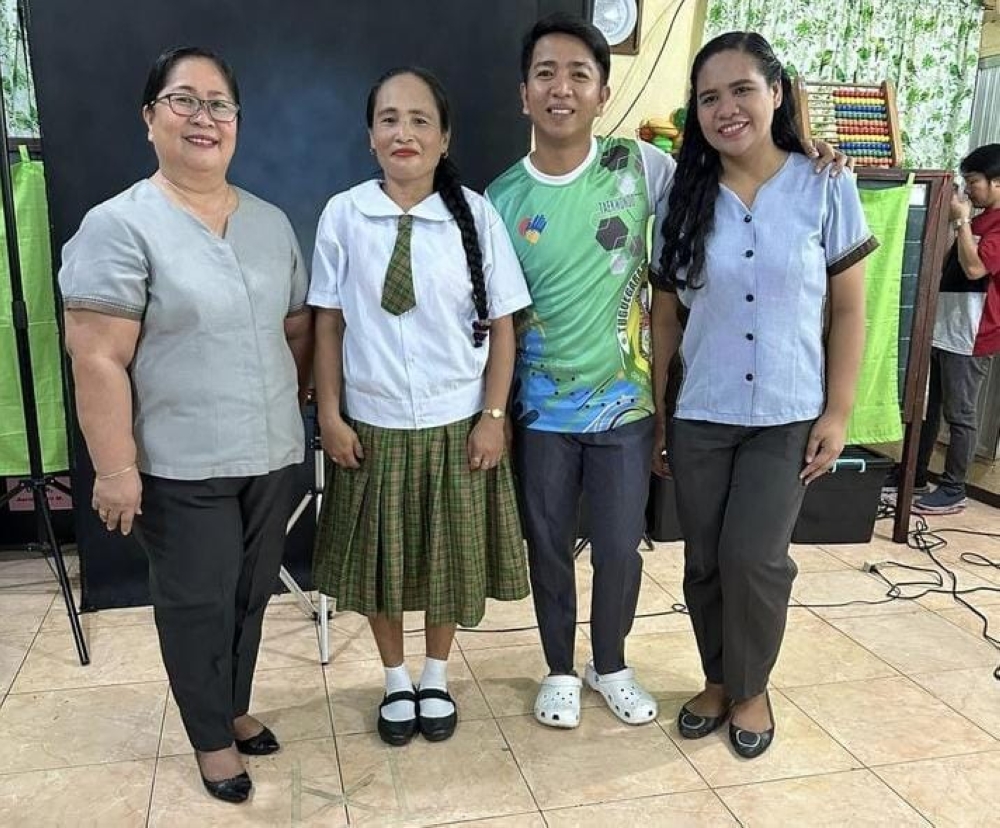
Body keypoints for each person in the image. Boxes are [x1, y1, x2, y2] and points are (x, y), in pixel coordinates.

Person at [486, 13, 845, 732]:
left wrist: (807, 146)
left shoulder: (643, 168)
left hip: (626, 411)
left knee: (622, 549)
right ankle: (560, 667)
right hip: (540, 410)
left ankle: (610, 662)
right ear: (523, 93)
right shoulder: (500, 199)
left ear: (603, 91)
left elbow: (731, 175)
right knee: (549, 546)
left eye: (578, 75)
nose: (561, 90)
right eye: (545, 75)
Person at [59, 47, 312, 803]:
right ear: (150, 118)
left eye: (220, 104)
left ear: (237, 121)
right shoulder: (119, 227)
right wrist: (115, 467)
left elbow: (297, 328)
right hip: (177, 463)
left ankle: (231, 705)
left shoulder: (268, 223)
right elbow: (97, 359)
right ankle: (209, 738)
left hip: (270, 451)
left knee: (253, 591)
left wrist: (298, 399)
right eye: (184, 101)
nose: (204, 118)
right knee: (198, 601)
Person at [651, 31, 875, 759]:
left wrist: (839, 411)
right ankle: (717, 680)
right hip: (702, 410)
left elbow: (848, 308)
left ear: (777, 93)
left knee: (756, 558)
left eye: (742, 89)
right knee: (706, 558)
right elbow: (665, 316)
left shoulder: (825, 183)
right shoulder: (684, 197)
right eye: (709, 97)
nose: (726, 108)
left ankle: (751, 687)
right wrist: (658, 409)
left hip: (786, 412)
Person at [308, 67, 531, 747]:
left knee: (444, 560)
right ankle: (395, 678)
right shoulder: (344, 214)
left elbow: (504, 327)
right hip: (372, 425)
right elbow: (328, 323)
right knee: (381, 562)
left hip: (455, 424)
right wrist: (331, 416)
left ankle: (435, 673)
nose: (403, 132)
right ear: (371, 136)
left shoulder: (476, 216)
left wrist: (493, 418)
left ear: (443, 137)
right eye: (388, 119)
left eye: (419, 120)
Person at [905, 144, 1000, 514]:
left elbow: (976, 269)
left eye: (973, 182)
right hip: (944, 325)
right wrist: (956, 223)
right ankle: (913, 475)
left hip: (973, 334)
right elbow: (948, 264)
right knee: (927, 407)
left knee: (960, 414)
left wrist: (961, 222)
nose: (968, 189)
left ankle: (954, 488)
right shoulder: (976, 222)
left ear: (996, 182)